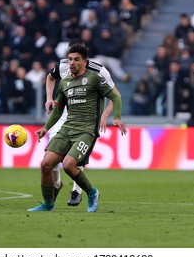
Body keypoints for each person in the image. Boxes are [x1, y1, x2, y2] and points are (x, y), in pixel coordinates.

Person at [28, 44, 127, 212]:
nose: (72, 63)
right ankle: (48, 204)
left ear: (84, 62)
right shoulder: (65, 81)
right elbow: (58, 109)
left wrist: (115, 117)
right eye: (70, 60)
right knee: (46, 164)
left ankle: (91, 192)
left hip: (86, 130)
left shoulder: (95, 77)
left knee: (68, 165)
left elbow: (115, 96)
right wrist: (45, 128)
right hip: (67, 128)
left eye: (76, 60)